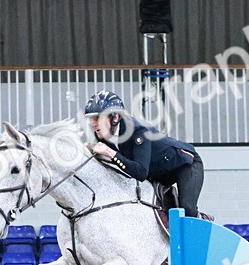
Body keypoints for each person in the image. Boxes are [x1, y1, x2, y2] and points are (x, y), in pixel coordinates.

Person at [83, 90, 205, 219]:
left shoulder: (138, 131)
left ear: (115, 118)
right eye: (91, 119)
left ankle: (200, 224)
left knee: (187, 208)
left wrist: (109, 152)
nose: (93, 123)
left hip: (185, 164)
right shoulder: (103, 135)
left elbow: (140, 172)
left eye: (98, 118)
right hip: (158, 173)